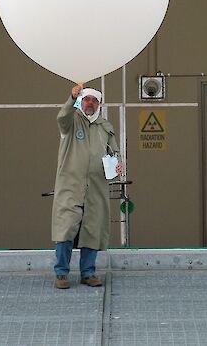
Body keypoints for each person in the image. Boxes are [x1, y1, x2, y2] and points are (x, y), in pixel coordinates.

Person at [52, 83, 121, 289]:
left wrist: (116, 164)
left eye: (94, 100)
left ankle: (88, 273)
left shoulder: (105, 127)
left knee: (92, 229)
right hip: (71, 187)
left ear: (99, 104)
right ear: (80, 102)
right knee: (66, 228)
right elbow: (61, 118)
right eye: (86, 99)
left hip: (96, 187)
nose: (90, 103)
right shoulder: (71, 122)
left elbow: (114, 152)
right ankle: (61, 274)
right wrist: (71, 98)